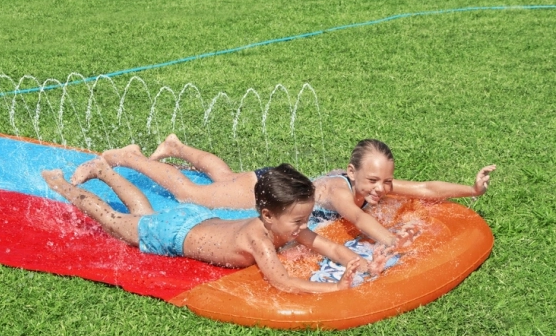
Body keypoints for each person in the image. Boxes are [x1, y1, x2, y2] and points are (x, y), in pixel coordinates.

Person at [43, 159, 388, 294]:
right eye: (298, 220)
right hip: (175, 233)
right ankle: (61, 184)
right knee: (113, 220)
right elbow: (283, 282)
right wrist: (336, 289)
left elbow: (329, 247)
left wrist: (359, 264)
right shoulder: (258, 238)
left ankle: (104, 172)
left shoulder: (288, 227)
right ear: (268, 216)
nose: (304, 226)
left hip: (196, 219)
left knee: (141, 212)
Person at [100, 135, 496, 247]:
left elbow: (425, 187)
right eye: (373, 181)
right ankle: (132, 158)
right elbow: (359, 220)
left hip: (275, 181)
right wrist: (394, 242)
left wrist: (472, 189)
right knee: (193, 195)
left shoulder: (377, 186)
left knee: (222, 180)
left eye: (387, 181)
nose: (382, 188)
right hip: (263, 187)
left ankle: (176, 146)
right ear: (352, 172)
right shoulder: (341, 192)